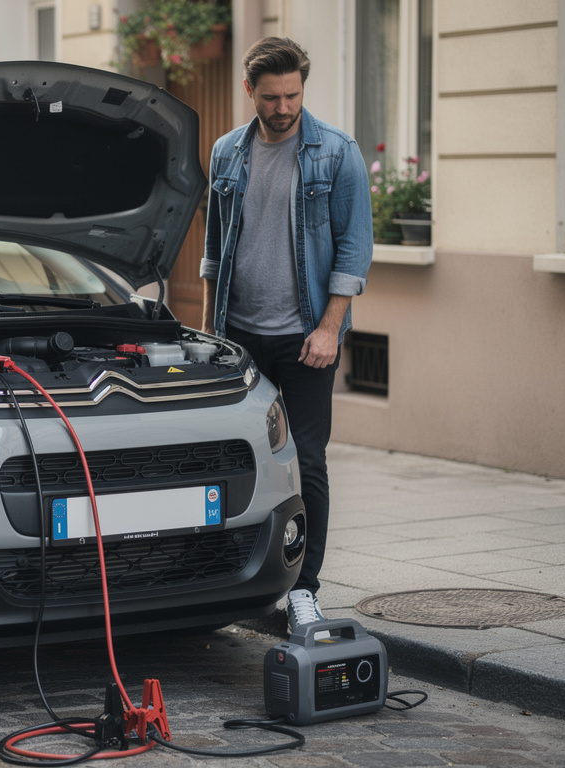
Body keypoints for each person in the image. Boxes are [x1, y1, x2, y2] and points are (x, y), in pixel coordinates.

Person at [199, 37, 373, 633]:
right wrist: (209, 337)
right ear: (250, 91)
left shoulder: (336, 153)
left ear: (303, 86)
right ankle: (234, 577)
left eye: (292, 94)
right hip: (241, 340)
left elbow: (354, 249)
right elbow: (215, 253)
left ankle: (304, 589)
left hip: (305, 339)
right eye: (270, 96)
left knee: (307, 462)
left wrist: (330, 328)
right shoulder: (227, 153)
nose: (283, 107)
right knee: (237, 460)